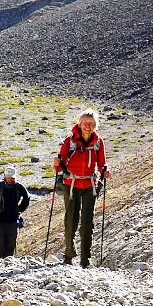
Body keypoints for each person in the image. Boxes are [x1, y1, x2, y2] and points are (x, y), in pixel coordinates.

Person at [53, 109, 110, 267]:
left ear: (95, 126)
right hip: (70, 185)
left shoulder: (98, 142)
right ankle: (69, 255)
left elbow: (102, 163)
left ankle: (85, 260)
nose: (88, 126)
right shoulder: (69, 141)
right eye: (85, 123)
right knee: (71, 220)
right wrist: (57, 165)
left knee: (87, 223)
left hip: (90, 186)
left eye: (91, 124)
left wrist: (105, 170)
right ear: (80, 123)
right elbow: (59, 165)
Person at [0, 165, 31, 261]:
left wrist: (20, 208)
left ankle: (8, 263)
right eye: (8, 177)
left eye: (12, 178)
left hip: (13, 220)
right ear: (4, 176)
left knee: (11, 245)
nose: (10, 180)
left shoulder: (19, 187)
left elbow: (27, 197)